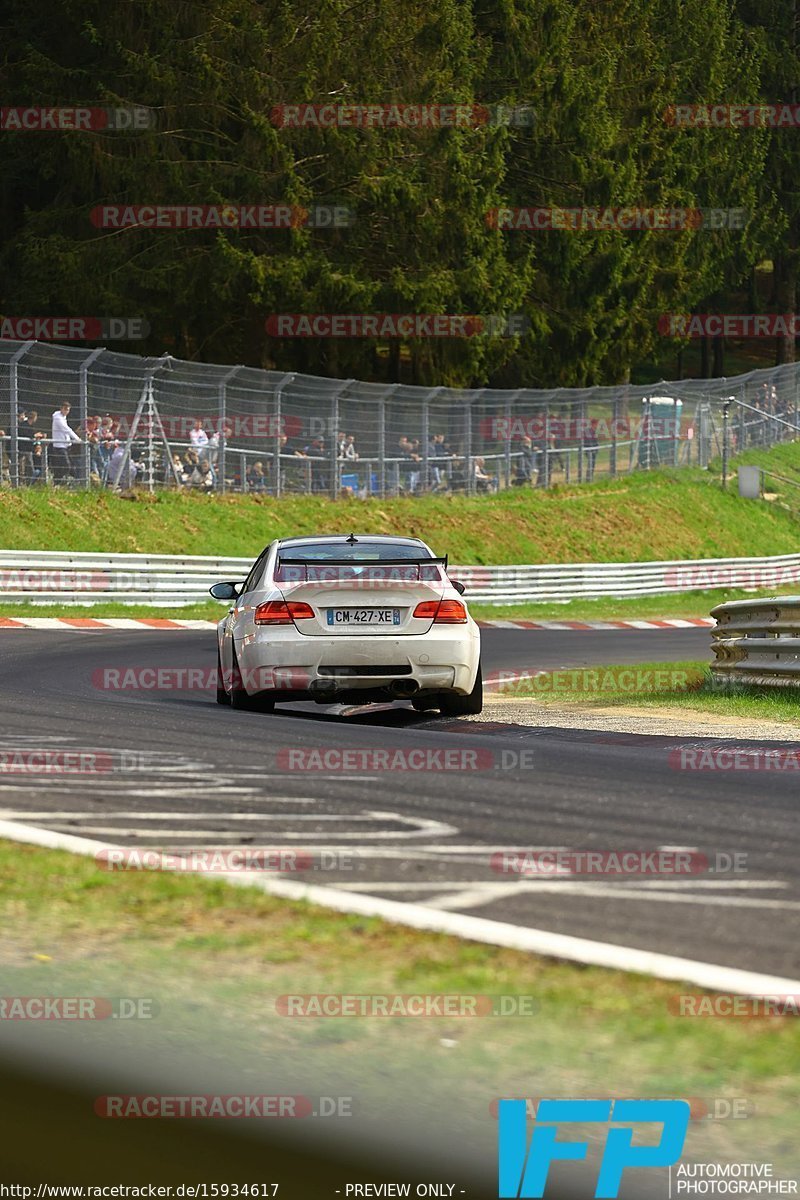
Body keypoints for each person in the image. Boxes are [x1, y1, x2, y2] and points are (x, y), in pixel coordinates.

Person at [51, 402, 82, 483]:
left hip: (66, 446)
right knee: (66, 465)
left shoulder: (63, 417)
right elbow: (66, 429)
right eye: (65, 409)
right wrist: (77, 439)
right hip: (59, 446)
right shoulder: (58, 418)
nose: (66, 411)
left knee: (72, 466)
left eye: (68, 410)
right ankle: (56, 481)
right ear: (61, 408)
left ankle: (75, 482)